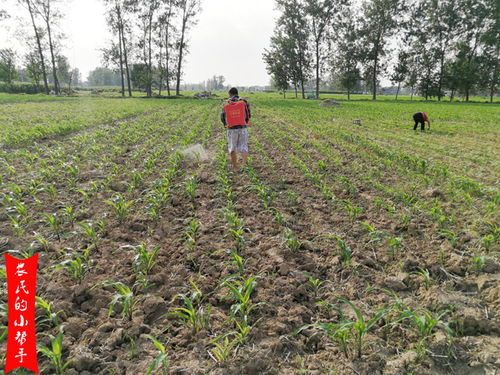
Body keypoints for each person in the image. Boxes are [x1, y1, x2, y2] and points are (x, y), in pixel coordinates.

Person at [221, 87, 251, 171]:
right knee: (244, 146)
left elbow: (222, 116)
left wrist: (225, 125)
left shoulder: (227, 103)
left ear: (230, 94)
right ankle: (244, 165)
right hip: (242, 128)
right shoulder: (244, 102)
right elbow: (248, 114)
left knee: (232, 147)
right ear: (237, 93)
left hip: (231, 129)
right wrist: (245, 122)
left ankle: (235, 167)